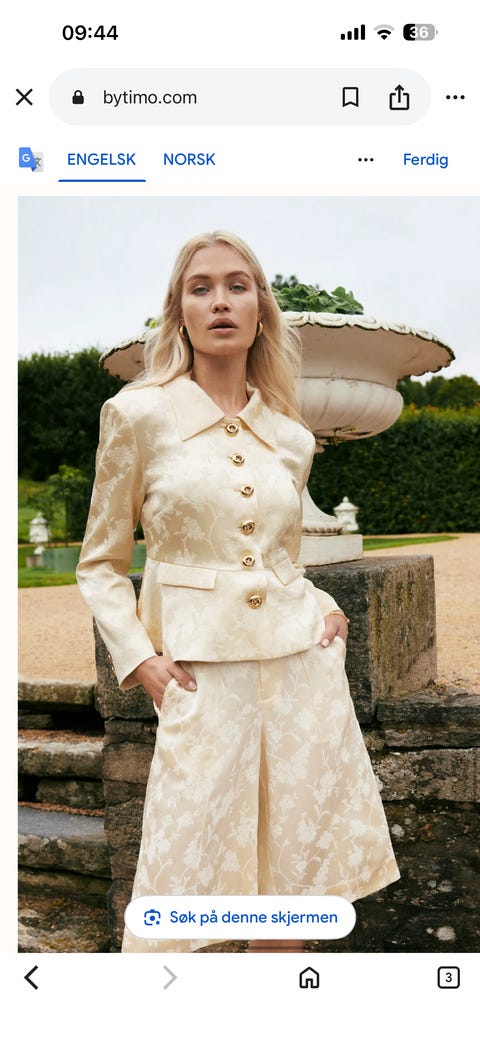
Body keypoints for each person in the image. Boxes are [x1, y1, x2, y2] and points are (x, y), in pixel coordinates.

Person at [77, 230, 399, 953]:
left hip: (302, 673)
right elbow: (99, 563)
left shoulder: (291, 436)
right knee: (178, 895)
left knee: (294, 889)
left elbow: (281, 559)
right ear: (180, 313)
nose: (219, 300)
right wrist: (140, 660)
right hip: (201, 678)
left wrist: (326, 607)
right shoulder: (137, 415)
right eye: (201, 288)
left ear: (260, 311)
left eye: (236, 286)